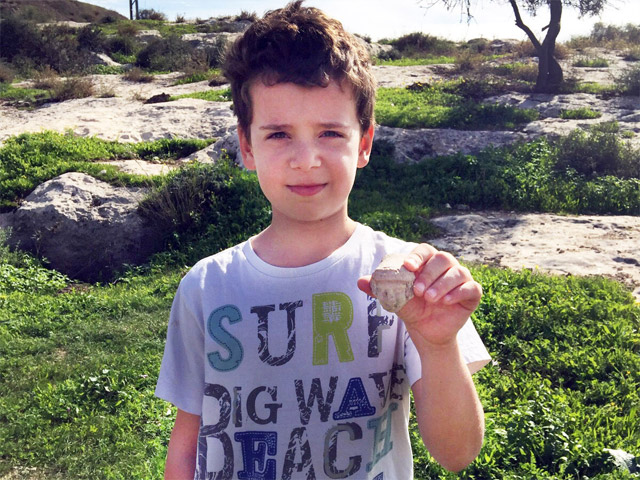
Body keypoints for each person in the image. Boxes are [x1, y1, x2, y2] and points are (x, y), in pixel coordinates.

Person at [155, 1, 491, 478]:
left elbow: (457, 453)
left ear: (365, 142)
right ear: (246, 147)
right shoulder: (205, 287)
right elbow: (188, 443)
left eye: (331, 132)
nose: (306, 159)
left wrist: (437, 344)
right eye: (278, 135)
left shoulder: (409, 279)